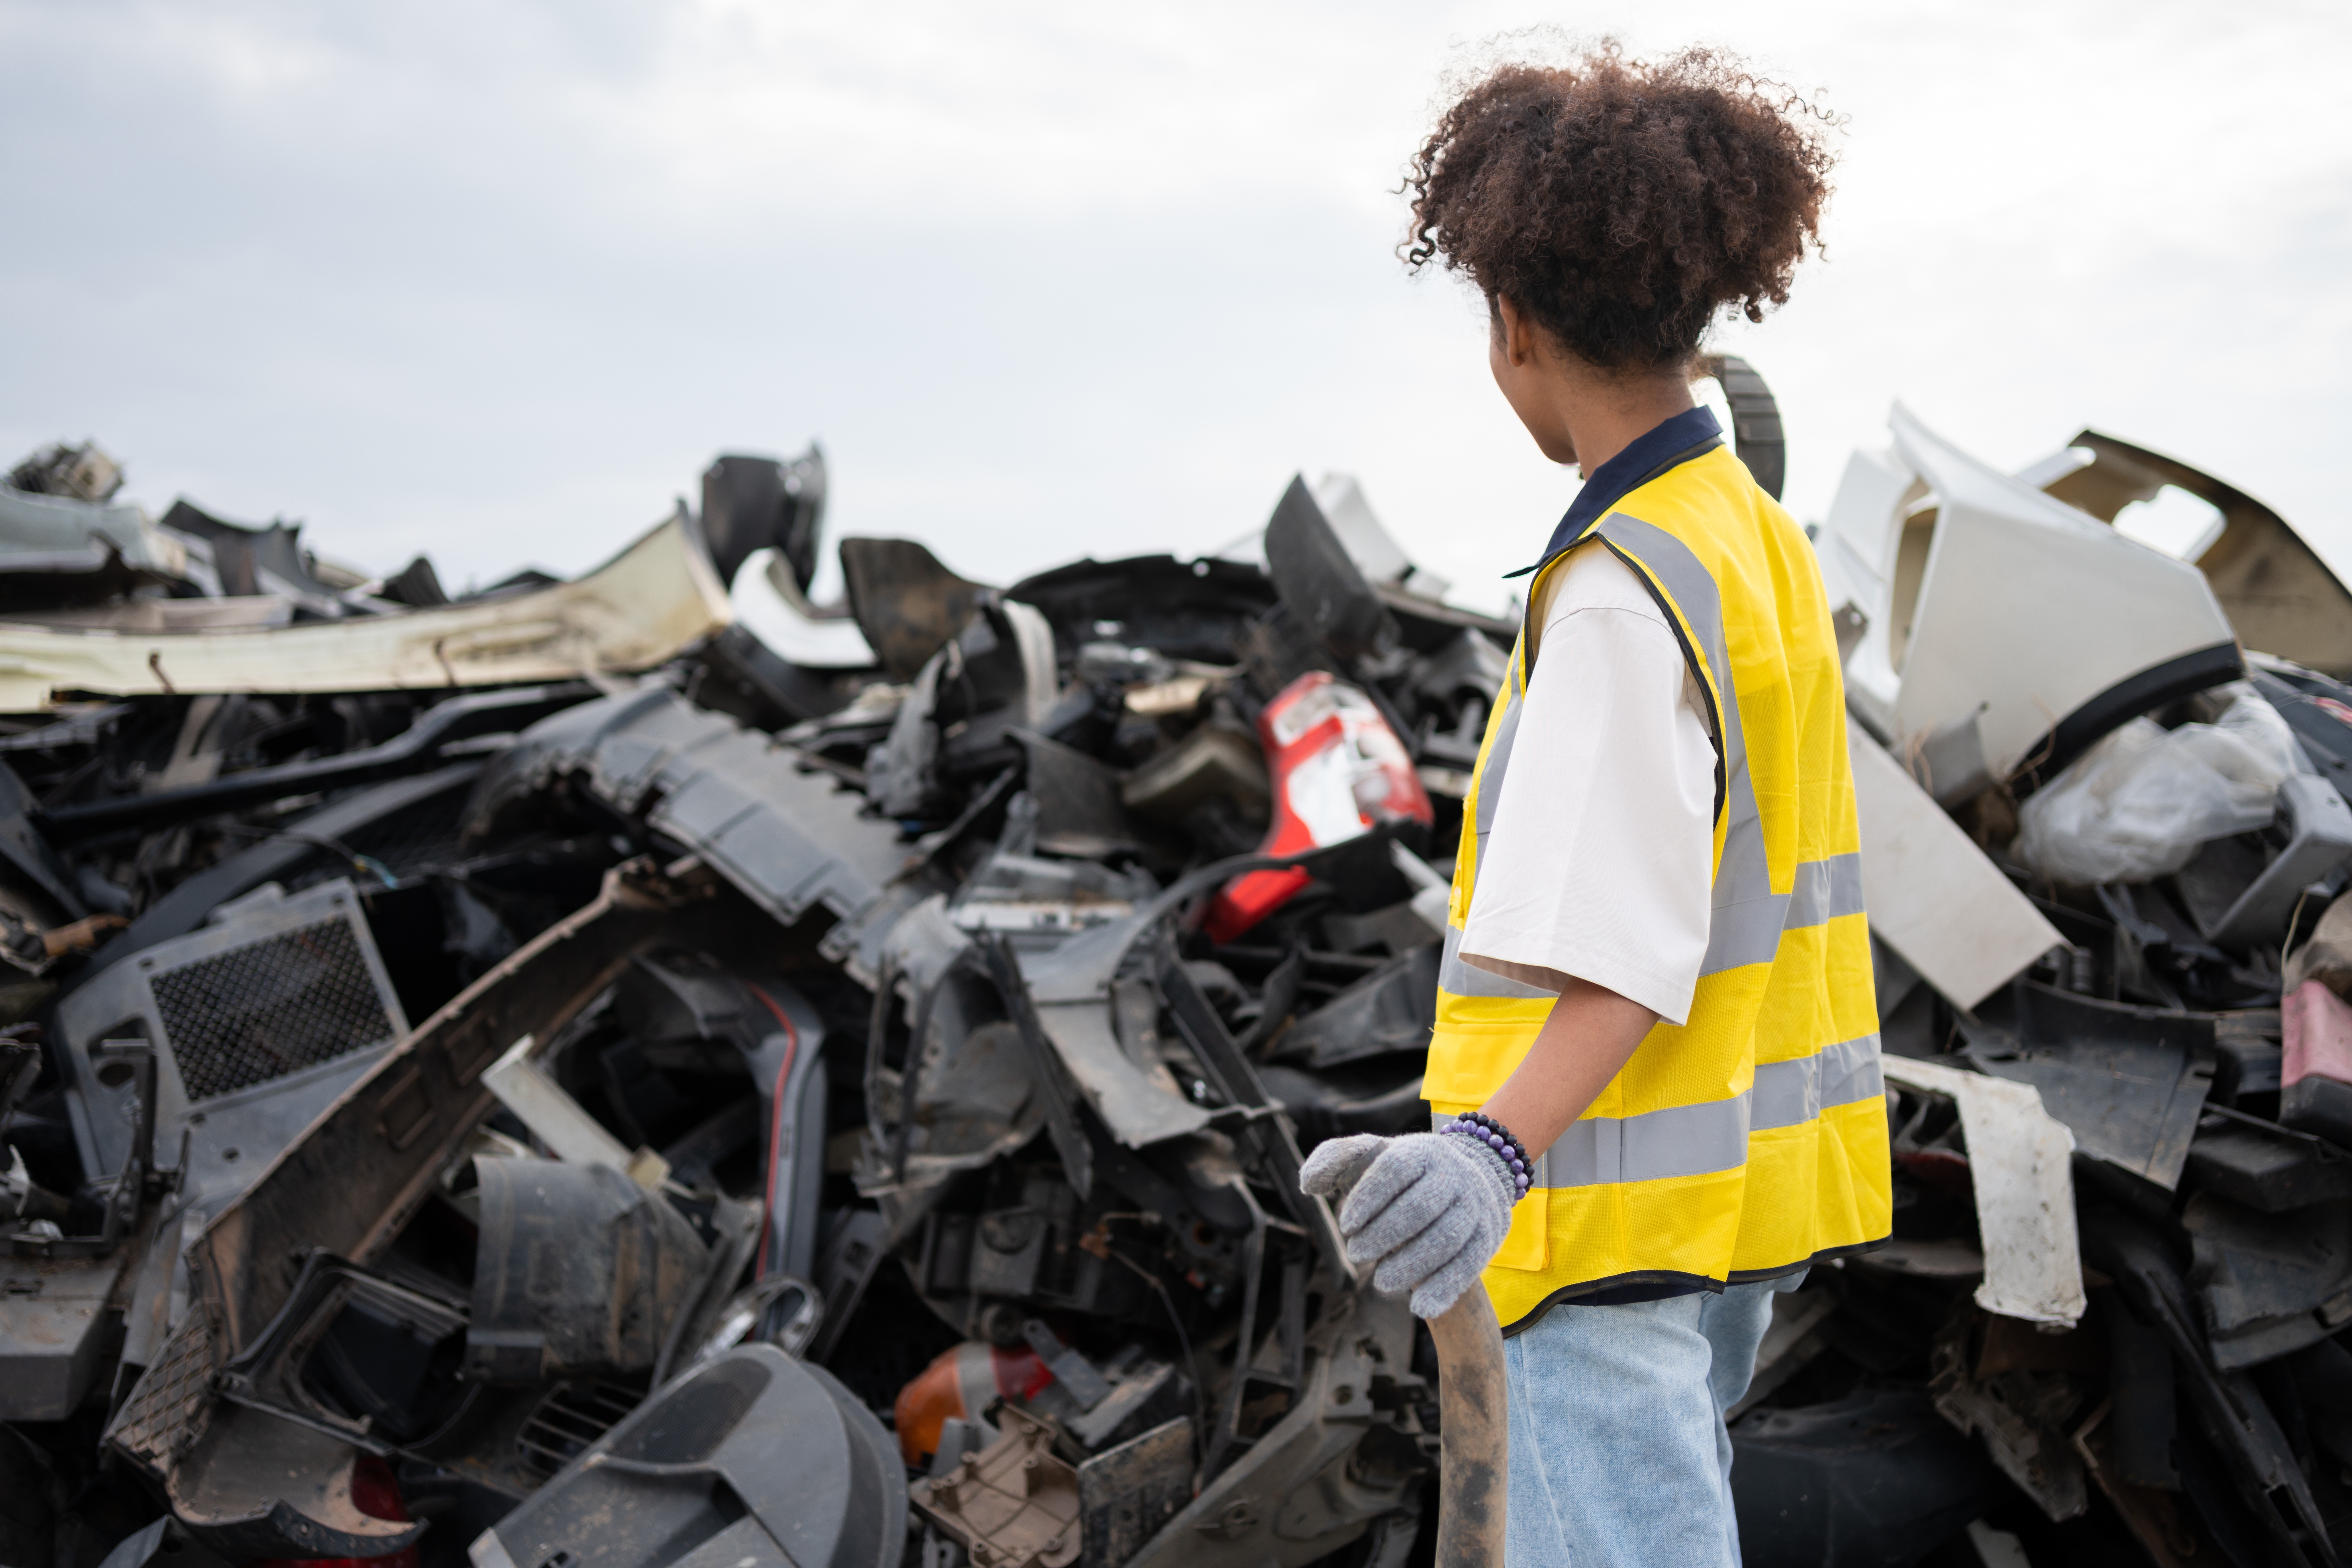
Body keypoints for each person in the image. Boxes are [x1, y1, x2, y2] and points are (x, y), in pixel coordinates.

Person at [1298, 44, 1891, 1567]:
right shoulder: (1749, 535)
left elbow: (1629, 943)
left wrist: (1483, 1155)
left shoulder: (1626, 590)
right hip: (1724, 1211)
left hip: (1605, 1231)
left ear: (1513, 328)